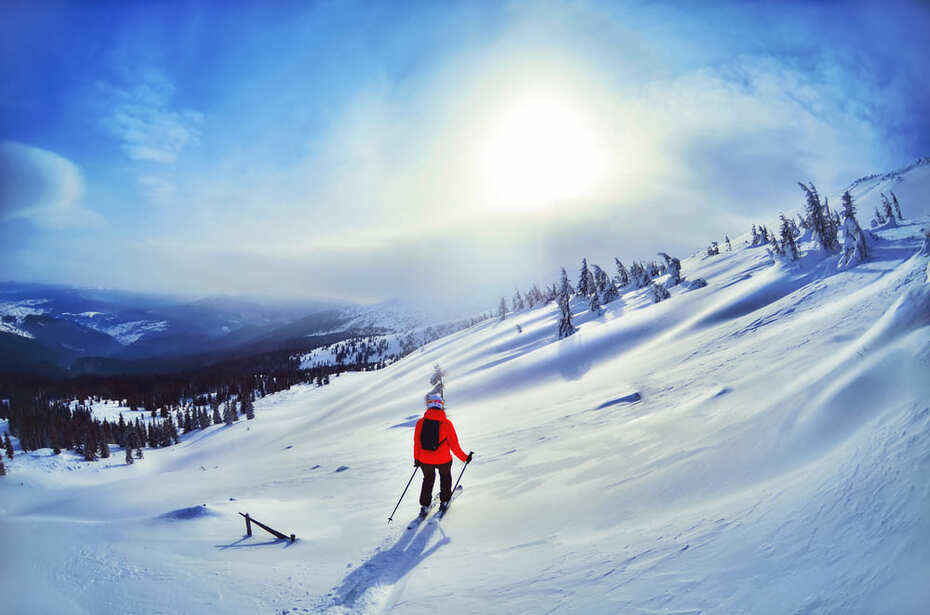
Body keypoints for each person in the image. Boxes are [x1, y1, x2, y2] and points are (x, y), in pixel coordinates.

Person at [414, 394, 472, 516]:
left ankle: (425, 505)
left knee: (428, 479)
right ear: (441, 406)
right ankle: (445, 501)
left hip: (425, 459)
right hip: (443, 459)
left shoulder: (420, 423)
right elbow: (454, 446)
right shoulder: (446, 423)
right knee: (445, 478)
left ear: (428, 405)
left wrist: (417, 459)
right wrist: (465, 458)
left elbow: (417, 443)